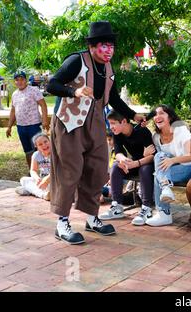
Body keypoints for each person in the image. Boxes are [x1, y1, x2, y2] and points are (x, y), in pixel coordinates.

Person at [46, 21, 146, 245]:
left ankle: (92, 218)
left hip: (96, 124)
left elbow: (114, 98)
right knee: (69, 171)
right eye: (104, 45)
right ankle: (62, 223)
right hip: (69, 123)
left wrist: (133, 115)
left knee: (98, 169)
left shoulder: (109, 69)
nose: (109, 49)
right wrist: (74, 91)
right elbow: (51, 85)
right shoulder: (76, 61)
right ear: (92, 46)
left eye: (111, 45)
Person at [145, 104, 191, 227]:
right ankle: (166, 189)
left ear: (169, 117)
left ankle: (164, 213)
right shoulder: (156, 137)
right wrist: (146, 154)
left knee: (158, 176)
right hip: (173, 169)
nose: (157, 116)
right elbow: (160, 158)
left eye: (161, 113)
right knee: (158, 157)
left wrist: (173, 161)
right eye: (155, 114)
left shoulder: (180, 130)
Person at [99, 110, 155, 225]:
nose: (111, 127)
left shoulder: (142, 131)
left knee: (145, 169)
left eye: (113, 123)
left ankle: (146, 208)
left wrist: (136, 163)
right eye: (109, 123)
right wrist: (123, 160)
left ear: (124, 121)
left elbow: (152, 156)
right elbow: (118, 152)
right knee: (116, 166)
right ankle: (117, 207)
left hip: (148, 164)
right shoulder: (117, 134)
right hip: (133, 163)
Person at [6, 71, 49, 168]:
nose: (19, 82)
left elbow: (43, 104)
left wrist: (45, 120)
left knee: (40, 149)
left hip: (34, 125)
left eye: (22, 79)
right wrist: (9, 126)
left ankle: (44, 171)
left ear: (26, 80)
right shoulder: (15, 94)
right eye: (17, 80)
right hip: (21, 127)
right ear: (14, 82)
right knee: (28, 151)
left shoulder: (34, 90)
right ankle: (32, 171)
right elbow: (13, 111)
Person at [15, 133, 51, 201]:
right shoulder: (36, 154)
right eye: (40, 144)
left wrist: (47, 180)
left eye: (45, 142)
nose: (44, 145)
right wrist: (37, 178)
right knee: (23, 179)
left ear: (50, 141)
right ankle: (44, 194)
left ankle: (33, 192)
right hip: (42, 182)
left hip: (54, 181)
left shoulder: (56, 153)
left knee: (25, 187)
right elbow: (33, 170)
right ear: (36, 146)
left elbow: (59, 171)